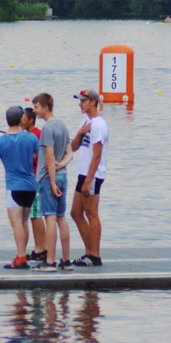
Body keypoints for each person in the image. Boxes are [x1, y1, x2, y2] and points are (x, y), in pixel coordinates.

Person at [0, 106, 41, 269]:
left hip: (13, 187)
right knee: (24, 222)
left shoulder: (0, 141)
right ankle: (21, 255)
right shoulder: (31, 138)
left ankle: (21, 258)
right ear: (21, 119)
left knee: (16, 223)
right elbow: (39, 157)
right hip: (30, 186)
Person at [33, 93, 74, 271]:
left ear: (46, 107)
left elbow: (49, 157)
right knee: (61, 217)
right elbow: (70, 154)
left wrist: (51, 181)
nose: (34, 111)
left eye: (36, 107)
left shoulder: (48, 128)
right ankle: (66, 259)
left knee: (50, 217)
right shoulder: (62, 125)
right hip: (63, 175)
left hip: (48, 177)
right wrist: (61, 165)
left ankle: (50, 261)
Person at [70, 89, 109, 267]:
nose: (80, 104)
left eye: (83, 101)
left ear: (93, 102)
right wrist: (80, 133)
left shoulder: (99, 125)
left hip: (92, 175)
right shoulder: (85, 121)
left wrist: (88, 181)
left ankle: (95, 255)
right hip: (83, 173)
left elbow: (97, 156)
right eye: (80, 101)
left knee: (91, 213)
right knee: (75, 213)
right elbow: (73, 147)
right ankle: (89, 252)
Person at [19, 108, 47, 266]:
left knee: (36, 214)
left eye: (23, 119)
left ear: (30, 120)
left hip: (36, 177)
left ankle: (41, 248)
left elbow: (41, 156)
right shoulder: (26, 135)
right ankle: (39, 247)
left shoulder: (37, 134)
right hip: (28, 179)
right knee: (32, 215)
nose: (21, 122)